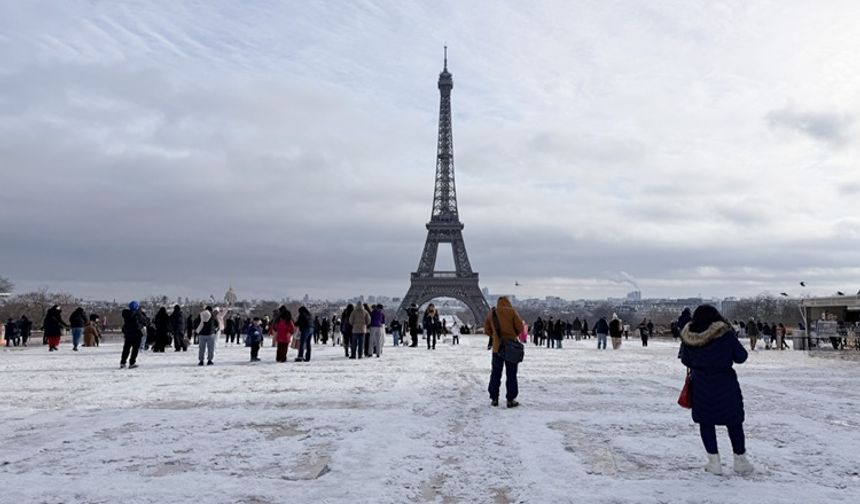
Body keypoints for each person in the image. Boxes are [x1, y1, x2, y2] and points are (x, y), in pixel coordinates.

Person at [679, 304, 753, 476]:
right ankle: (740, 460)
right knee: (734, 421)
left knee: (706, 422)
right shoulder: (725, 334)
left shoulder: (689, 336)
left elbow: (685, 360)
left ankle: (714, 462)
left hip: (701, 383)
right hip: (725, 382)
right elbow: (741, 357)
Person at [485, 297, 524, 408]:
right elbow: (520, 327)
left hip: (497, 348)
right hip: (511, 347)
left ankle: (494, 398)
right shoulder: (512, 312)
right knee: (511, 374)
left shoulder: (492, 313)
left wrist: (496, 336)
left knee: (495, 373)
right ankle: (510, 399)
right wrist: (512, 335)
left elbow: (487, 330)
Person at [120, 301, 147, 369]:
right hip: (136, 333)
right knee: (135, 349)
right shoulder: (138, 314)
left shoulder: (126, 314)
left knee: (126, 348)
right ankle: (132, 362)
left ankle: (123, 362)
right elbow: (145, 321)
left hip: (128, 333)